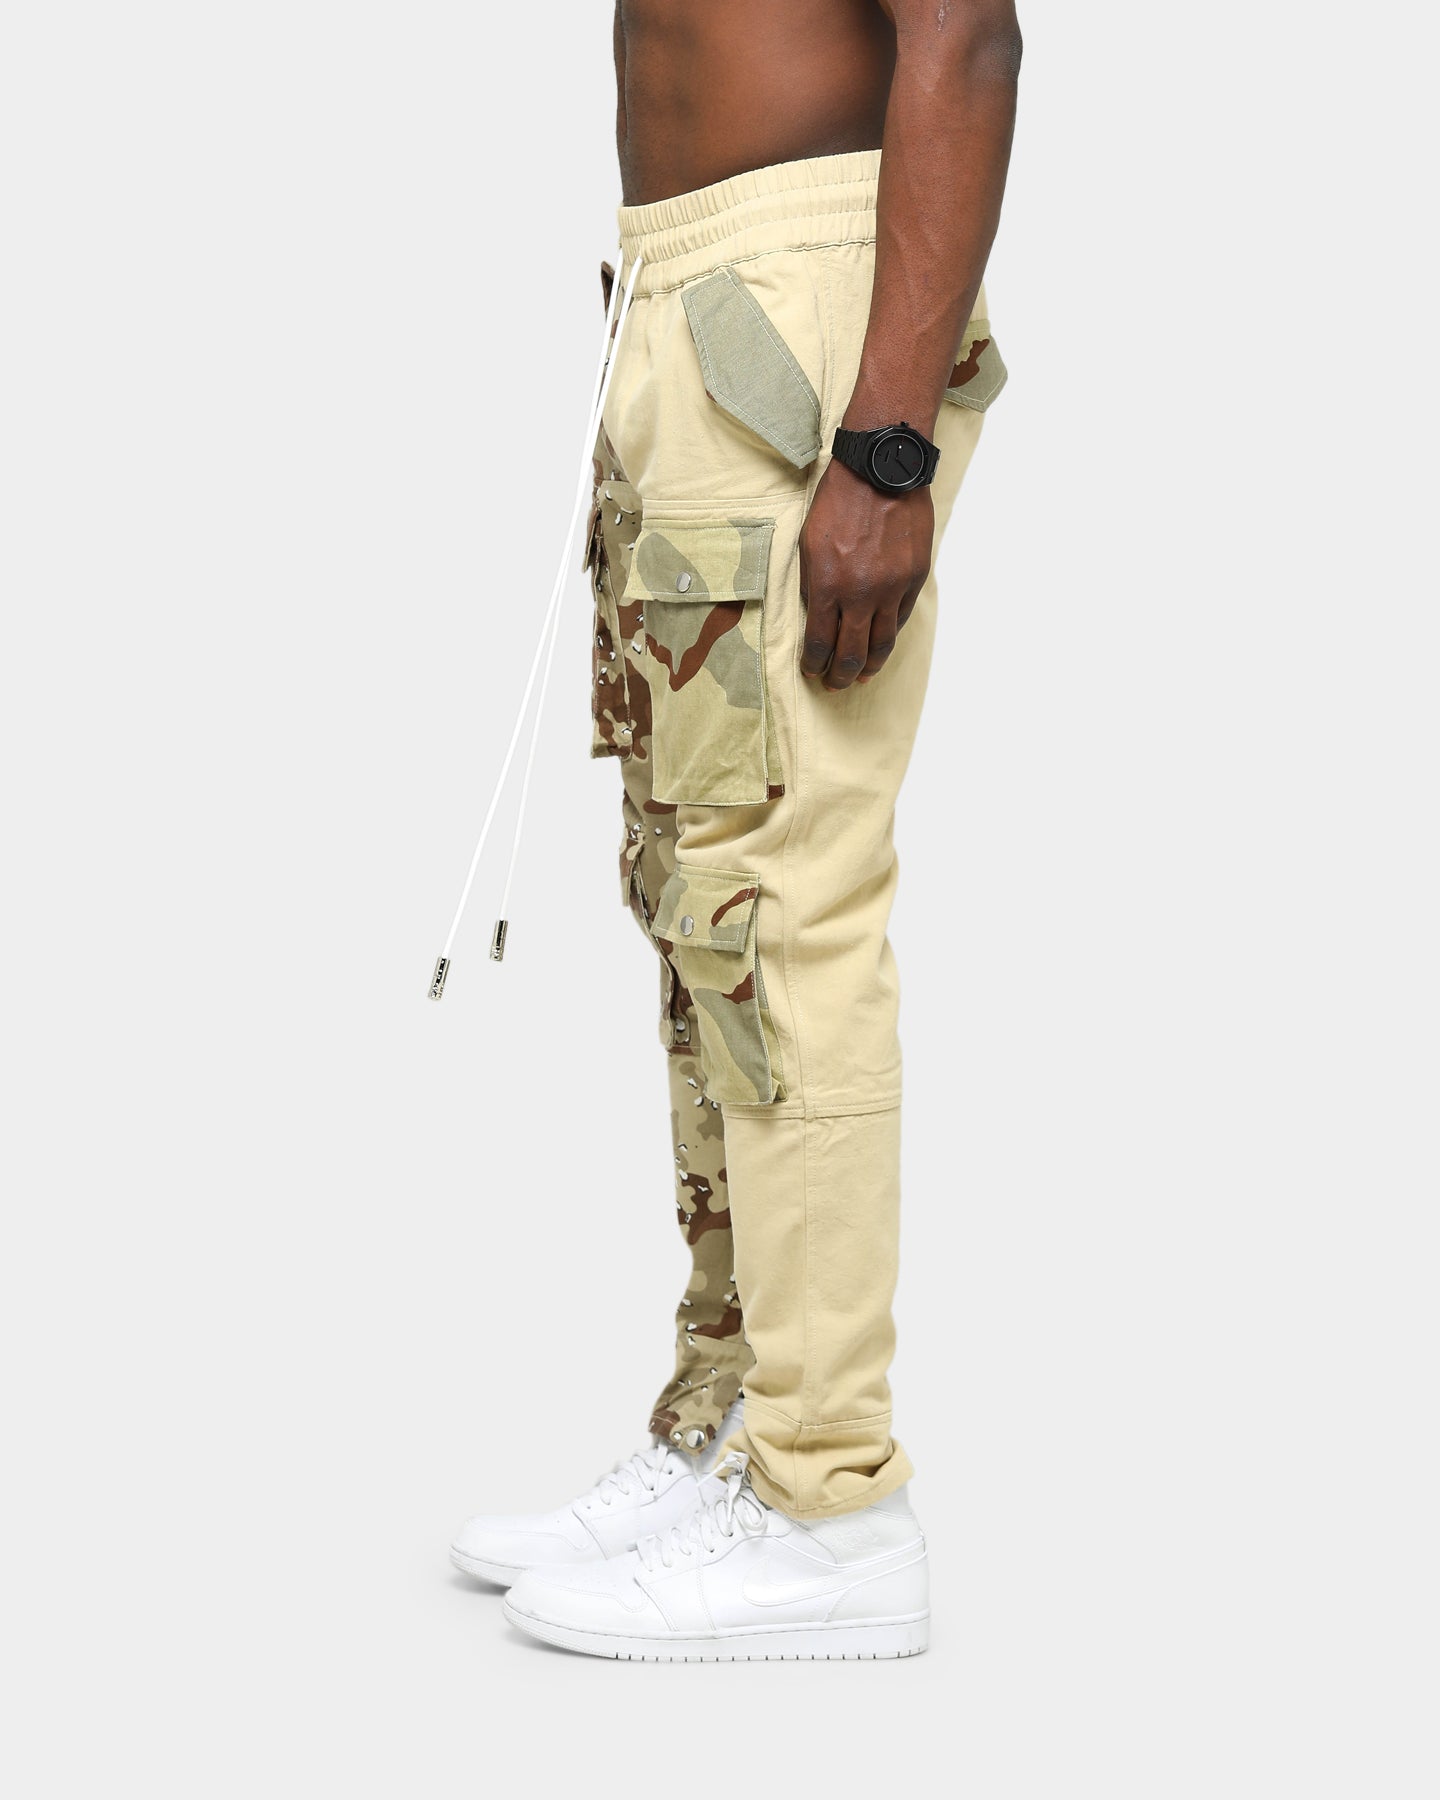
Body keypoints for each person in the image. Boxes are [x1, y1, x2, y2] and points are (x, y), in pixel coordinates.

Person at [452, 0, 1020, 1660]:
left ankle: (829, 1506)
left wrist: (888, 449)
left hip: (799, 296)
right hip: (688, 285)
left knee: (782, 908)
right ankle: (734, 1421)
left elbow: (968, 36)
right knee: (702, 895)